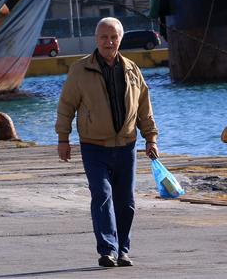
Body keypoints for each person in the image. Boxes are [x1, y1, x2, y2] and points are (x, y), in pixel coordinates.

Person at [55, 17, 159, 268]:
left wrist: (151, 138)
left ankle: (123, 250)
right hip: (94, 147)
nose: (109, 42)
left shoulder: (132, 69)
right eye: (104, 37)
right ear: (96, 39)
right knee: (101, 196)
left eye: (113, 37)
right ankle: (107, 250)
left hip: (126, 146)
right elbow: (66, 106)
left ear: (120, 39)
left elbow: (144, 108)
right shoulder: (80, 70)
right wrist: (63, 138)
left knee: (126, 202)